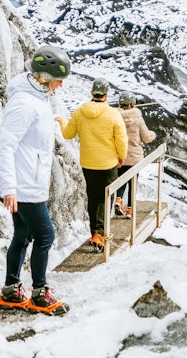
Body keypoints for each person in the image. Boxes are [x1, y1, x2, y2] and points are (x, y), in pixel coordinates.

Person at [0, 45, 71, 316]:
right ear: (45, 76)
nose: (61, 85)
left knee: (23, 235)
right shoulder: (25, 103)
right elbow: (6, 146)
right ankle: (40, 293)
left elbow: (36, 146)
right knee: (45, 235)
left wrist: (44, 178)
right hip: (22, 186)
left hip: (29, 182)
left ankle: (12, 290)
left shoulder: (37, 98)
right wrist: (10, 188)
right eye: (59, 79)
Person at [57, 78, 127, 252]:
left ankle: (94, 231)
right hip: (108, 163)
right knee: (105, 198)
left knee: (93, 197)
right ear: (106, 94)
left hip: (88, 163)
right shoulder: (113, 113)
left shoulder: (80, 112)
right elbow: (121, 139)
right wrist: (121, 157)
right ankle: (100, 234)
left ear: (91, 93)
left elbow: (67, 134)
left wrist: (61, 122)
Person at [114, 90, 156, 218]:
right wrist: (153, 134)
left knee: (121, 179)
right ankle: (130, 210)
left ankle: (119, 200)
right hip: (134, 157)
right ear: (133, 104)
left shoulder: (114, 117)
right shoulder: (137, 118)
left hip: (119, 156)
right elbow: (146, 137)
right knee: (133, 182)